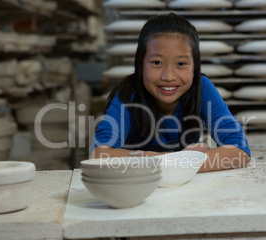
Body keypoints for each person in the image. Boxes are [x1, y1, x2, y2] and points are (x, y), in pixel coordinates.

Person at [91, 12, 250, 172]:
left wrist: (170, 163)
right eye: (157, 62)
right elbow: (100, 156)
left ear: (194, 66)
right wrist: (180, 160)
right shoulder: (128, 93)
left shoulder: (201, 88)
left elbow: (240, 152)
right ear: (140, 64)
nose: (169, 76)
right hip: (138, 186)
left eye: (181, 63)